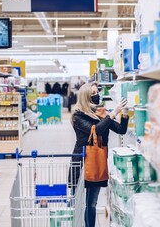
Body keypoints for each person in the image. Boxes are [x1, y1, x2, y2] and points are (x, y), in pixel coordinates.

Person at [70, 83, 128, 227]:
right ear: (85, 97)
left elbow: (121, 130)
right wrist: (113, 113)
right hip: (82, 163)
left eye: (97, 92)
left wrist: (125, 113)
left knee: (92, 203)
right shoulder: (78, 116)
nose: (97, 96)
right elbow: (95, 131)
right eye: (93, 93)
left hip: (97, 162)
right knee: (79, 202)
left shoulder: (102, 113)